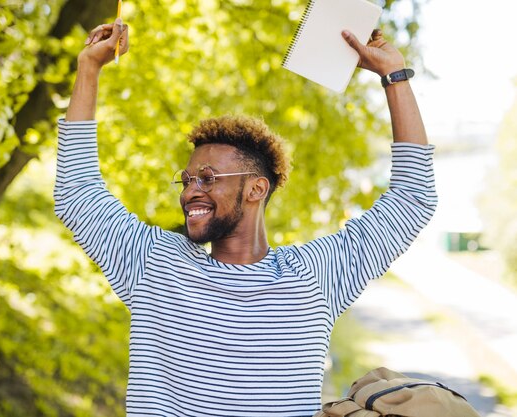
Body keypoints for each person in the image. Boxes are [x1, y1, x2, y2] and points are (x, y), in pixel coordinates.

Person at [54, 18, 437, 417]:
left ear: (256, 189)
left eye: (207, 178)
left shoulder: (315, 276)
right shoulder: (157, 264)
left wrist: (395, 77)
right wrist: (89, 68)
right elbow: (76, 193)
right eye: (186, 180)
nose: (189, 192)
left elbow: (413, 199)